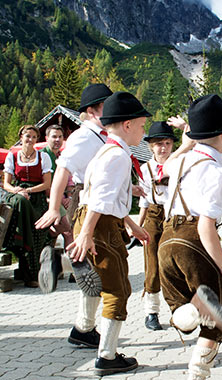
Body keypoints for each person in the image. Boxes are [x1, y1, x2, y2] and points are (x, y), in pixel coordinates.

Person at [157, 94, 222, 380]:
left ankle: (184, 316)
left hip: (165, 240)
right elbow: (205, 226)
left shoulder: (178, 163)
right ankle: (198, 373)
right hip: (193, 242)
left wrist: (186, 142)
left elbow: (164, 168)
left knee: (182, 307)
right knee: (216, 316)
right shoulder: (216, 172)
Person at [68, 91, 151, 375]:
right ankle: (107, 356)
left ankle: (84, 330)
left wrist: (130, 224)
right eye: (141, 125)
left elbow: (106, 196)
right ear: (127, 125)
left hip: (96, 221)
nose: (144, 130)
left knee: (100, 280)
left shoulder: (107, 150)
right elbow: (101, 201)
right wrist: (88, 234)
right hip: (100, 225)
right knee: (117, 288)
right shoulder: (118, 156)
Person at [35, 83, 112, 349]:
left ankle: (83, 328)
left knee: (95, 266)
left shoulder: (100, 135)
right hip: (85, 199)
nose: (111, 109)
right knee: (97, 265)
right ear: (91, 111)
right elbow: (62, 171)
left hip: (98, 200)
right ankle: (62, 263)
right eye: (106, 105)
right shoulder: (84, 136)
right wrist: (54, 208)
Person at [137, 121, 177, 331]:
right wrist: (138, 225)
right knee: (152, 264)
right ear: (151, 146)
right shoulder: (145, 168)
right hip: (153, 215)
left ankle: (178, 310)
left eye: (167, 143)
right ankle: (151, 312)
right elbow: (143, 200)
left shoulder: (178, 164)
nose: (163, 148)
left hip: (174, 215)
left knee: (171, 263)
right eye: (159, 144)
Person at [2, 125, 52, 287]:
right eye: (27, 136)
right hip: (18, 195)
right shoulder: (13, 156)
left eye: (33, 137)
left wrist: (28, 190)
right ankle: (28, 274)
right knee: (21, 202)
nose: (30, 140)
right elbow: (6, 184)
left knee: (35, 232)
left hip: (37, 199)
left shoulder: (43, 157)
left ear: (37, 140)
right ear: (21, 137)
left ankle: (31, 272)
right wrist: (18, 190)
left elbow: (47, 184)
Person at [38, 124, 75, 292]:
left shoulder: (58, 156)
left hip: (59, 199)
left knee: (59, 231)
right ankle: (74, 268)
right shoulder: (44, 156)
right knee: (68, 230)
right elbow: (48, 186)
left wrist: (67, 197)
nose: (58, 140)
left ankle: (55, 263)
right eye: (54, 136)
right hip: (48, 200)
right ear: (46, 138)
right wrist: (60, 200)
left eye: (60, 137)